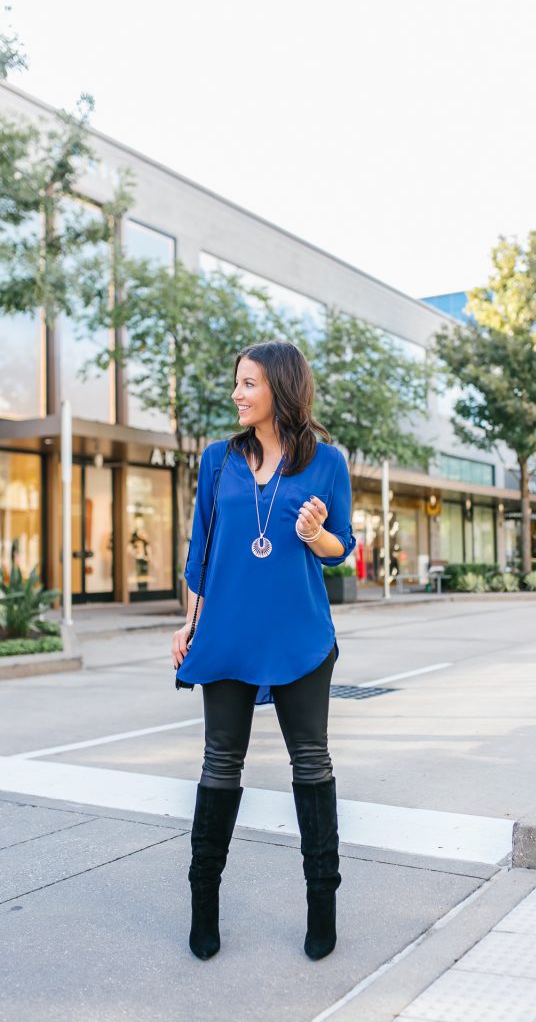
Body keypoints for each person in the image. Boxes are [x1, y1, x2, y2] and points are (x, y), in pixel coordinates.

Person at [171, 340, 356, 963]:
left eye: (248, 383)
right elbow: (200, 547)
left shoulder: (327, 462)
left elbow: (342, 549)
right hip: (225, 632)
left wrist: (315, 533)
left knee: (312, 763)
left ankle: (322, 906)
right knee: (219, 765)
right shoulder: (218, 459)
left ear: (280, 386)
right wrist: (188, 622)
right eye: (236, 383)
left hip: (300, 635)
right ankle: (203, 909)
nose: (237, 393)